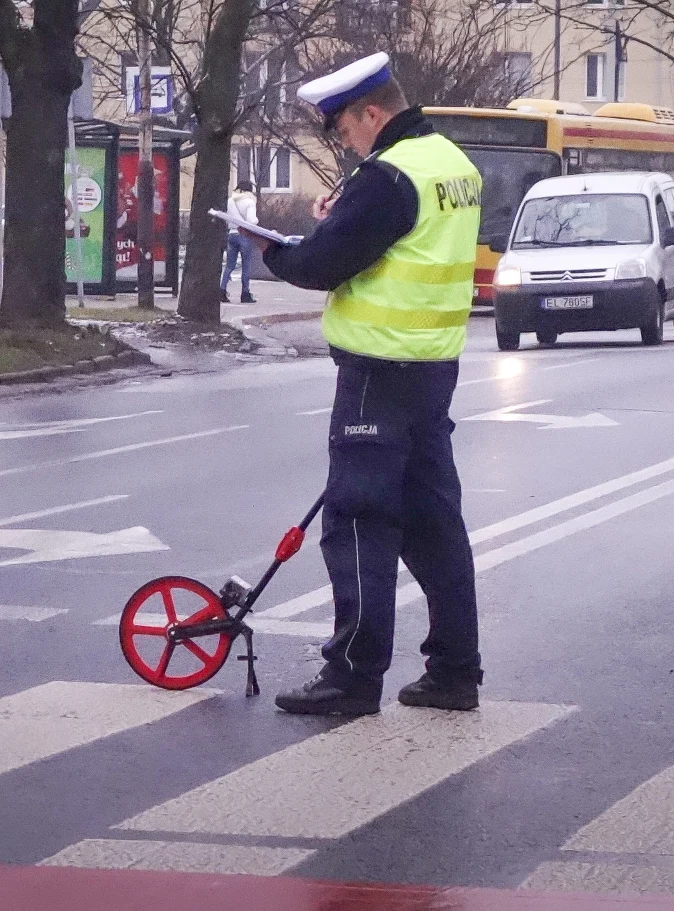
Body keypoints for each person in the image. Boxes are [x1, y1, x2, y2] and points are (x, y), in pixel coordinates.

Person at [245, 53, 484, 716]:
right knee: (434, 525)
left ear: (371, 113)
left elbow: (324, 264)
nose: (346, 143)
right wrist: (344, 211)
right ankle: (455, 672)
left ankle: (352, 677)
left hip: (378, 373)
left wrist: (272, 249)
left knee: (357, 522)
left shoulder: (388, 176)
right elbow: (402, 241)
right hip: (433, 369)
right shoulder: (452, 165)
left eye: (345, 129)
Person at [220, 180, 259, 303]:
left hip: (231, 235)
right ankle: (245, 293)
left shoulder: (230, 201)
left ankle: (222, 290)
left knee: (229, 266)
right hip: (245, 236)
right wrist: (256, 222)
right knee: (246, 266)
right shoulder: (250, 202)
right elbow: (251, 220)